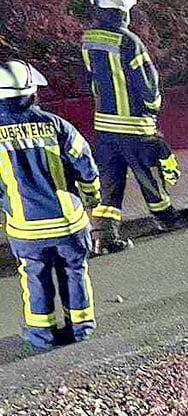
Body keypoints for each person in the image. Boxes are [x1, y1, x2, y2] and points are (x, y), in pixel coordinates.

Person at [0, 60, 101, 351]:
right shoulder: (56, 126)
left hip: (26, 228)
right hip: (69, 223)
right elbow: (86, 164)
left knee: (35, 278)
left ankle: (41, 337)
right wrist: (92, 197)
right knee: (74, 272)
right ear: (32, 93)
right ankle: (80, 329)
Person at [82, 0, 188, 254]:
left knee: (110, 179)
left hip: (105, 125)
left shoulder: (88, 39)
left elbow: (89, 75)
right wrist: (153, 107)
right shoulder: (128, 41)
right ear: (122, 12)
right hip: (134, 124)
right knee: (148, 173)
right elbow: (147, 83)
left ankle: (105, 235)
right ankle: (165, 217)